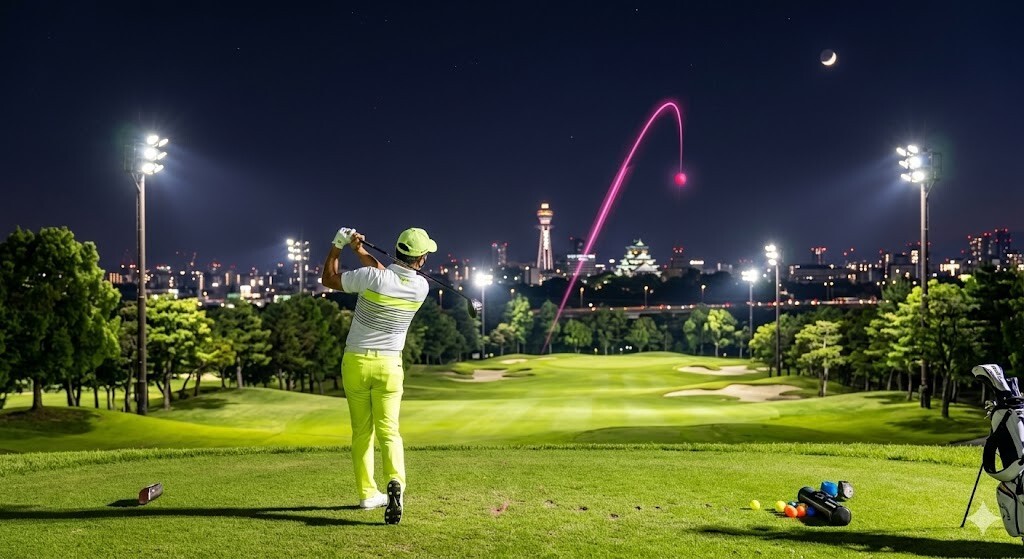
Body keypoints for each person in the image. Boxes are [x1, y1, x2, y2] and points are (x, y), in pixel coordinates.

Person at [321, 226, 435, 525]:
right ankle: (395, 481)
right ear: (421, 259)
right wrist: (360, 251)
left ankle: (367, 494)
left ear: (397, 251)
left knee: (362, 432)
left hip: (356, 362)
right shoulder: (421, 288)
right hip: (389, 367)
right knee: (389, 432)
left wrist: (339, 245)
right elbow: (388, 276)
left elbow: (329, 279)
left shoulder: (372, 278)